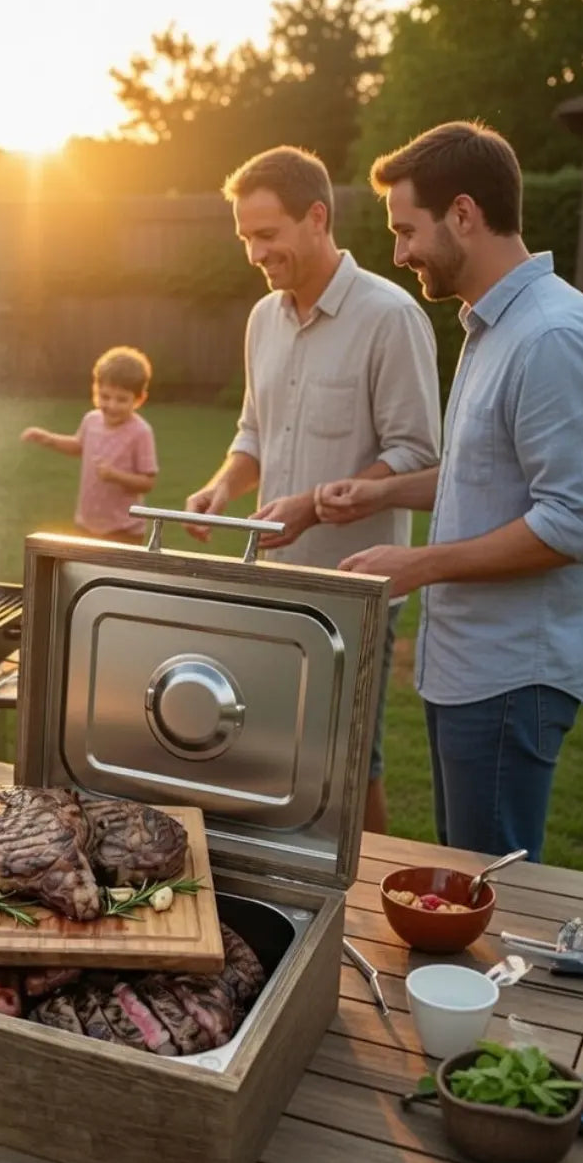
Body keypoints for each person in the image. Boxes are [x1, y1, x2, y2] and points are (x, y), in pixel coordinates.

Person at [316, 122, 583, 862]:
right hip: (466, 669)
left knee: (492, 884)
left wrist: (420, 565)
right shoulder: (488, 327)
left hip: (510, 677)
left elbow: (571, 524)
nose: (400, 252)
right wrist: (379, 494)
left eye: (407, 230)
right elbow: (480, 472)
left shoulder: (551, 336)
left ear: (463, 214)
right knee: (465, 870)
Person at [180, 147, 441, 836]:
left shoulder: (391, 317)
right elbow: (253, 432)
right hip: (273, 583)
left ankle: (374, 908)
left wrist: (315, 501)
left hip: (355, 589)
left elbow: (417, 453)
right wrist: (220, 487)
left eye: (267, 235)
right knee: (274, 754)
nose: (255, 253)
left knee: (355, 765)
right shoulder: (263, 319)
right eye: (245, 238)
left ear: (317, 217)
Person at [20, 345, 158, 544]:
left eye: (121, 400)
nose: (111, 405)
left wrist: (114, 475)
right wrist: (48, 439)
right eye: (105, 396)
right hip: (86, 525)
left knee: (113, 576)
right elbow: (78, 445)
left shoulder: (141, 432)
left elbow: (148, 483)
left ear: (139, 399)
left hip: (123, 531)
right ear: (95, 390)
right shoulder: (91, 420)